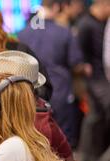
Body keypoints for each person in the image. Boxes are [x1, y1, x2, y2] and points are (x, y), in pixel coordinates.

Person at [18, 0, 86, 149]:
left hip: (30, 94)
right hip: (59, 92)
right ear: (56, 7)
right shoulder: (65, 32)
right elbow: (76, 64)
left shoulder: (23, 33)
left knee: (33, 140)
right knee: (62, 142)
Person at [76, 0, 110, 161]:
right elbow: (79, 57)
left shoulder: (101, 23)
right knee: (93, 120)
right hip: (95, 81)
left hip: (101, 81)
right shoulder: (86, 24)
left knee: (95, 120)